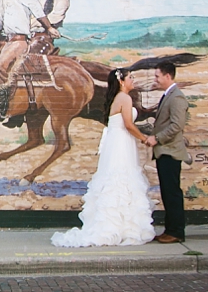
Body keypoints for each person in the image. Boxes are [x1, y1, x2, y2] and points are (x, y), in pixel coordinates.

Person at [51, 69, 155, 247]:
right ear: (121, 81)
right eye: (130, 77)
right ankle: (122, 226)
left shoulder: (118, 98)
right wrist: (145, 138)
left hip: (118, 141)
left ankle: (118, 225)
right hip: (121, 143)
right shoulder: (125, 98)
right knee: (122, 179)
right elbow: (129, 125)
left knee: (116, 179)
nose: (133, 80)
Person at [145, 61, 190, 243]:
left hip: (170, 151)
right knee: (167, 191)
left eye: (157, 76)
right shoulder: (168, 95)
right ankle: (170, 229)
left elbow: (177, 125)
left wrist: (157, 138)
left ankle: (176, 231)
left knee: (172, 192)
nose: (155, 79)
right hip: (164, 152)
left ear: (167, 76)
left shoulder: (176, 97)